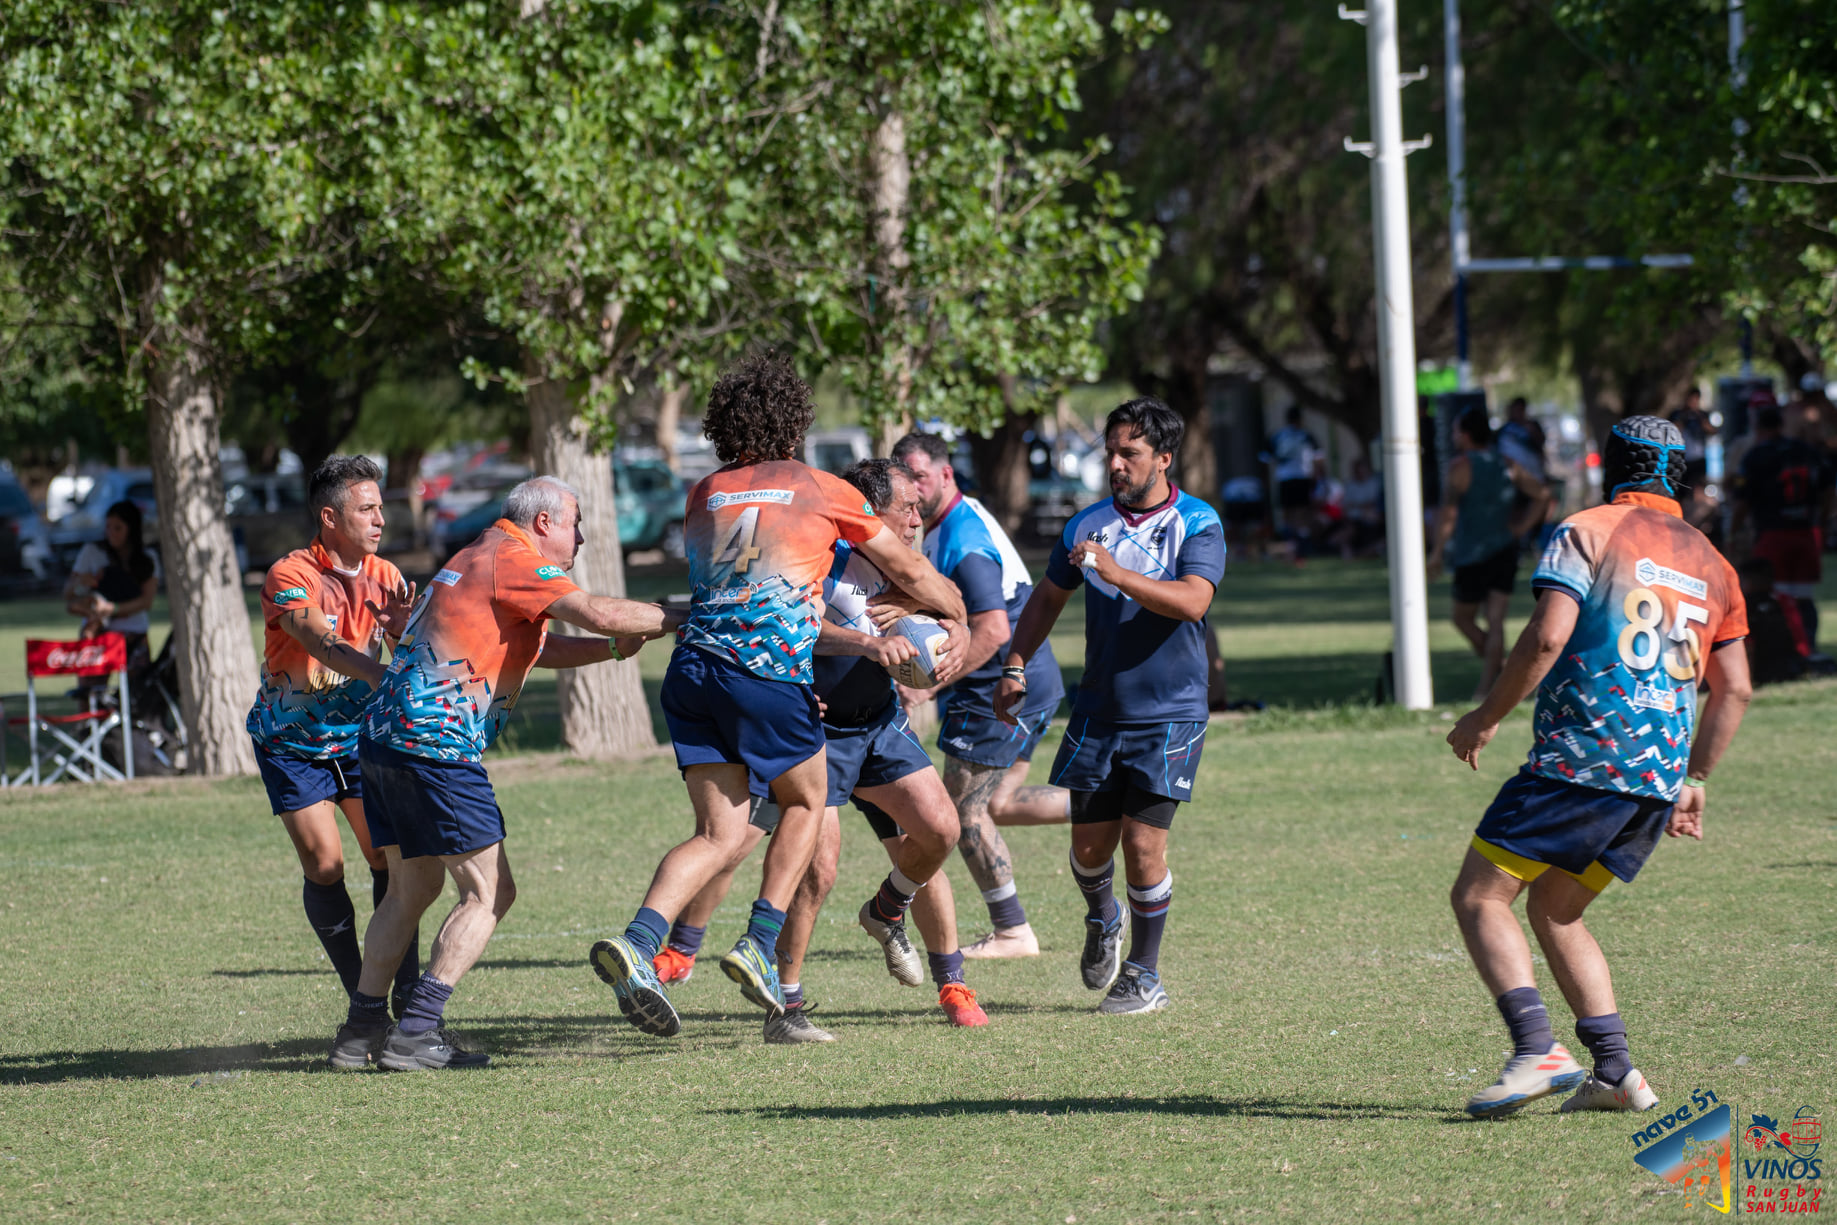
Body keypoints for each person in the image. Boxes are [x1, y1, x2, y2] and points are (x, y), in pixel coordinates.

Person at [588, 354, 965, 1038]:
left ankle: (640, 944)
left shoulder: (704, 491)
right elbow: (909, 567)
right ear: (794, 420)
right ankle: (760, 944)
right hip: (760, 672)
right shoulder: (821, 487)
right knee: (808, 796)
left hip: (691, 672)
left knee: (718, 832)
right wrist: (957, 616)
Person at [1444, 416, 1751, 1118]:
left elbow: (1547, 634)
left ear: (1611, 464)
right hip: (1654, 780)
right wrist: (1695, 780)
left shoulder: (1586, 528)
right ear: (1679, 473)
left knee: (1479, 896)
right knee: (1555, 909)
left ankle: (1536, 1049)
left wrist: (1484, 715)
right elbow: (1732, 686)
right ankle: (1613, 1070)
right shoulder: (1713, 561)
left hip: (1579, 761)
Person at [328, 475, 678, 1071]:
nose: (583, 535)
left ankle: (361, 1030)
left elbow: (533, 647)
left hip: (383, 739)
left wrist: (615, 649)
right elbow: (592, 611)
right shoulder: (513, 554)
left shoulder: (475, 555)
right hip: (433, 745)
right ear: (543, 523)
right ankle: (416, 1031)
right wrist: (684, 616)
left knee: (412, 890)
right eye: (576, 522)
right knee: (491, 893)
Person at [654, 459, 988, 1039]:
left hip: (879, 724)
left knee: (939, 829)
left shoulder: (902, 560)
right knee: (810, 867)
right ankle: (782, 1002)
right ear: (867, 509)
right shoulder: (818, 550)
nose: (916, 518)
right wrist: (865, 643)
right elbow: (802, 626)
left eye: (918, 507)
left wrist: (945, 626)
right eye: (905, 508)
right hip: (818, 731)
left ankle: (906, 932)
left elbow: (950, 598)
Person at [996, 397, 1226, 1015]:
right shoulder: (1086, 524)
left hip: (1171, 712)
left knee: (1142, 845)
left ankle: (1144, 975)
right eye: (1111, 452)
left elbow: (1193, 602)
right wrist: (1014, 664)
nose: (1116, 464)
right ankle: (1104, 917)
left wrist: (1119, 572)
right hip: (1098, 709)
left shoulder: (1198, 523)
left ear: (1164, 459)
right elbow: (1046, 598)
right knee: (1089, 850)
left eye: (1131, 453)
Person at [246, 457, 420, 1021]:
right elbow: (319, 643)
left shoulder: (388, 576)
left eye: (380, 508)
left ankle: (407, 999)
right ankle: (363, 1004)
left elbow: (410, 656)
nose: (379, 520)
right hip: (293, 742)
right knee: (325, 866)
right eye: (366, 509)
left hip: (361, 740)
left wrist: (404, 637)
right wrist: (379, 672)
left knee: (391, 861)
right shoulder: (290, 574)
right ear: (329, 517)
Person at [889, 432, 1070, 960]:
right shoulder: (950, 520)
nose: (915, 490)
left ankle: (1013, 930)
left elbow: (991, 629)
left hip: (1002, 687)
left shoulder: (965, 540)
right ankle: (1110, 807)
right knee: (1000, 803)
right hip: (1029, 682)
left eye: (922, 477)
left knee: (960, 811)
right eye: (907, 481)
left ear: (946, 474)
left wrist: (928, 686)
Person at [1429, 409, 1550, 700]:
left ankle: (1486, 688)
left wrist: (1435, 553)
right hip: (1504, 550)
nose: (1455, 436)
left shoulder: (1459, 467)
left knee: (1462, 619)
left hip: (1472, 554)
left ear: (1467, 434)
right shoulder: (1507, 464)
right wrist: (1521, 528)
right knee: (1495, 621)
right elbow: (1542, 495)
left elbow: (1448, 514)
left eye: (1457, 431)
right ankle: (1503, 672)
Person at [1734, 405, 1832, 650]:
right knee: (1804, 597)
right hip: (1806, 532)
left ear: (1758, 428)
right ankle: (1807, 649)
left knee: (1774, 595)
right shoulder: (1807, 451)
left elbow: (1743, 501)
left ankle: (1784, 651)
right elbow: (1830, 490)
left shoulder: (1756, 455)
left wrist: (1733, 531)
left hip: (1772, 533)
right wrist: (1822, 519)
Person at [64, 500, 159, 664]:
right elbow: (68, 595)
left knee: (137, 688)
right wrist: (81, 584)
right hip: (96, 633)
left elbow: (146, 601)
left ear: (132, 529)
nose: (111, 533)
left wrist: (111, 609)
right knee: (91, 688)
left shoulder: (147, 559)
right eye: (108, 527)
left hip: (133, 633)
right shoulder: (93, 552)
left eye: (118, 528)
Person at [1260, 406, 1321, 553]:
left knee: (1289, 513)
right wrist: (1318, 479)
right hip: (1302, 477)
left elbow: (1264, 460)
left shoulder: (1277, 435)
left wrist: (1267, 481)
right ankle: (1300, 543)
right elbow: (1319, 458)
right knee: (1302, 512)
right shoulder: (1306, 435)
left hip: (1285, 479)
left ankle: (1293, 543)